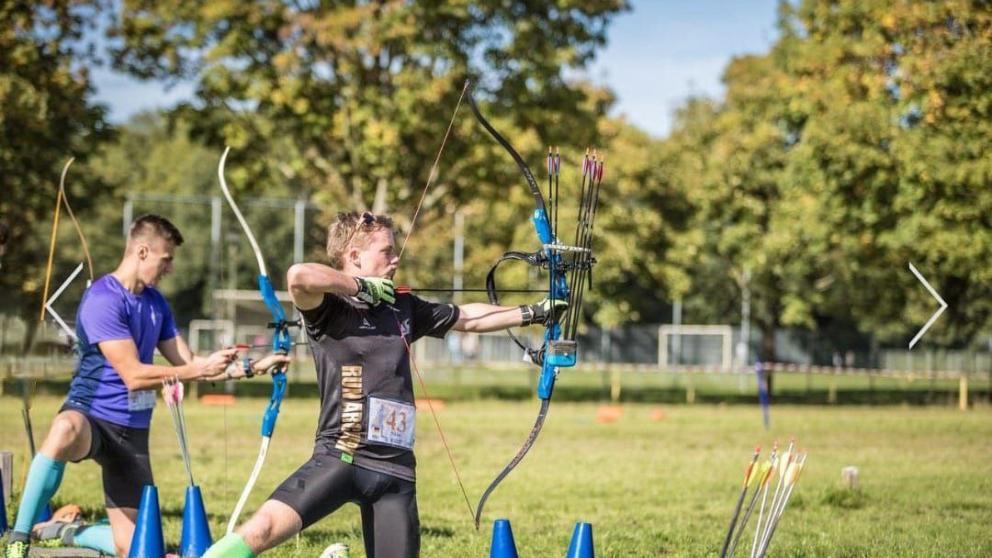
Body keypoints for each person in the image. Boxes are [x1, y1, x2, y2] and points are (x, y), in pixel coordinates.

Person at [205, 211, 565, 558]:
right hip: (341, 456)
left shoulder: (403, 305)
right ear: (355, 256)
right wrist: (359, 286)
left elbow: (467, 318)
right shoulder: (328, 308)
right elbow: (298, 275)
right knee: (262, 530)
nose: (395, 260)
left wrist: (534, 312)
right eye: (386, 251)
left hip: (395, 472)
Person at [3, 215, 291, 558]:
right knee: (64, 427)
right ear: (142, 251)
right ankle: (18, 538)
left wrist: (253, 367)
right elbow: (134, 375)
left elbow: (191, 365)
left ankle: (66, 530)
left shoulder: (157, 304)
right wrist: (197, 368)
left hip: (133, 433)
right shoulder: (103, 299)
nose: (169, 268)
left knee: (135, 549)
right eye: (165, 259)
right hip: (91, 418)